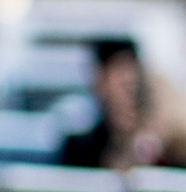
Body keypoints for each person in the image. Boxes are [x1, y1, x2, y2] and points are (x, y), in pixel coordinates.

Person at [61, 41, 167, 171]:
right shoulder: (79, 147)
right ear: (101, 80)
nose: (129, 81)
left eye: (132, 69)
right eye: (120, 69)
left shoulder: (160, 146)